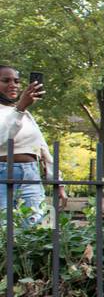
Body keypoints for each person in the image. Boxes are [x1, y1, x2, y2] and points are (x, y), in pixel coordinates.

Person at [0, 66, 64, 223]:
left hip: (31, 174)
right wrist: (21, 107)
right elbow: (3, 137)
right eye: (6, 80)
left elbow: (42, 148)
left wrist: (58, 181)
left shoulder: (23, 113)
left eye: (16, 81)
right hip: (3, 175)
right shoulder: (19, 111)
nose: (13, 85)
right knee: (3, 230)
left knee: (34, 227)